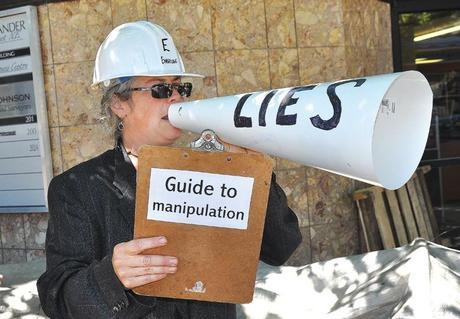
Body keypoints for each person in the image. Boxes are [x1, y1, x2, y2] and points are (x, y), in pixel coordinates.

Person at [37, 21, 301, 319]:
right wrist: (110, 276)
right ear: (118, 103)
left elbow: (281, 248)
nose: (175, 97)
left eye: (180, 87)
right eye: (160, 88)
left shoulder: (214, 173)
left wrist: (254, 173)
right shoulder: (77, 189)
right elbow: (56, 299)